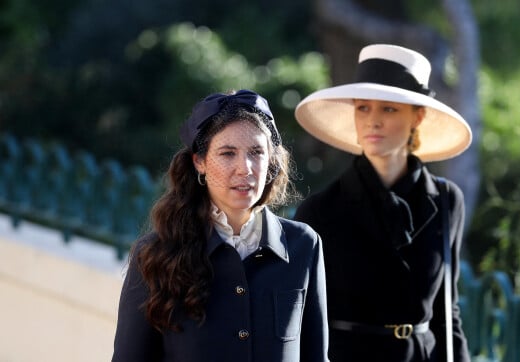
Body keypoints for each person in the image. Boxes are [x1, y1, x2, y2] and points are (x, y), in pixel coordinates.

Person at [112, 89, 329, 362]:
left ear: (271, 160)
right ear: (199, 162)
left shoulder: (303, 245)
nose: (245, 168)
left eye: (256, 152)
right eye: (228, 153)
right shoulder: (154, 254)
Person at [293, 44, 472, 361]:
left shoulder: (447, 201)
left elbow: (448, 311)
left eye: (388, 109)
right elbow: (304, 320)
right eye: (363, 108)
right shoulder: (320, 211)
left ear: (417, 116)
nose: (373, 121)